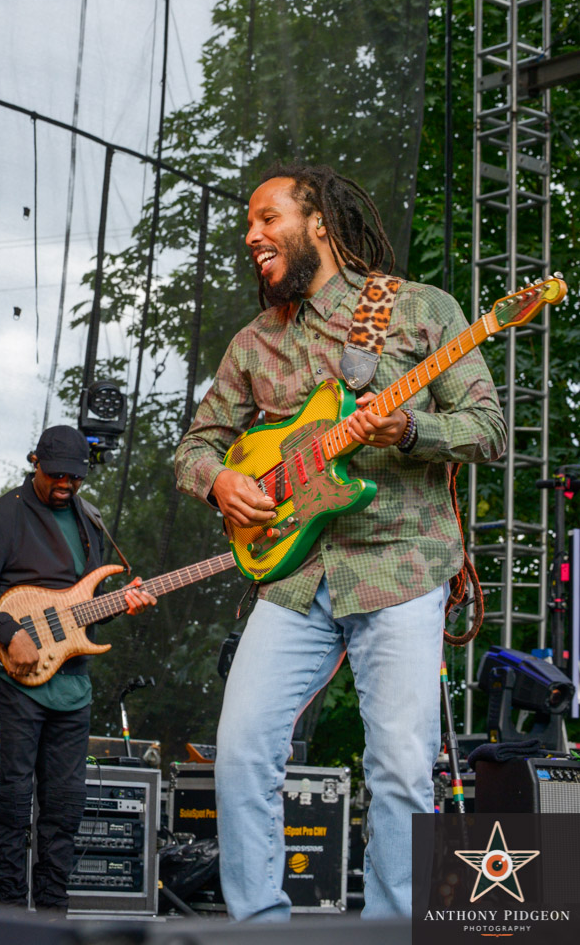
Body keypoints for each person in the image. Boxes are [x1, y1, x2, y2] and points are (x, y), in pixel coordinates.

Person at [174, 163, 507, 922]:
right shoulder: (255, 343)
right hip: (293, 576)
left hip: (399, 565)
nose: (251, 234)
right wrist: (221, 483)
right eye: (247, 225)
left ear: (318, 222)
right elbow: (197, 445)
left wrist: (411, 428)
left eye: (266, 218)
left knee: (397, 767)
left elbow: (488, 430)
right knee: (242, 751)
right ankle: (259, 929)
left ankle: (391, 932)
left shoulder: (419, 309)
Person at [0, 425, 155, 913]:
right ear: (34, 460)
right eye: (56, 473)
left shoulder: (89, 519)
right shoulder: (0, 518)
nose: (65, 483)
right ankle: (12, 914)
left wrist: (124, 602)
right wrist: (5, 630)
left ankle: (55, 913)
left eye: (75, 477)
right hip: (19, 684)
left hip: (73, 684)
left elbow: (85, 604)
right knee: (15, 805)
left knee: (64, 808)